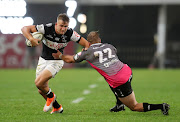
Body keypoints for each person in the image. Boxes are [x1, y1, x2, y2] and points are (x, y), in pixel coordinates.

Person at [52, 31, 170, 115]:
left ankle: (161, 106)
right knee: (109, 78)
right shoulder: (109, 46)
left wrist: (60, 55)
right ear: (100, 40)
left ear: (89, 42)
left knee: (134, 106)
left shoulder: (87, 52)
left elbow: (70, 59)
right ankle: (119, 105)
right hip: (127, 71)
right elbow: (112, 53)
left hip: (120, 80)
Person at [21, 13, 89, 114]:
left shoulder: (70, 33)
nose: (63, 29)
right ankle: (57, 107)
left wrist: (85, 50)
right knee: (41, 89)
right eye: (61, 26)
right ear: (56, 24)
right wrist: (31, 39)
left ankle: (51, 96)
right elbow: (24, 29)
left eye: (65, 26)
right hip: (43, 60)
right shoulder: (46, 28)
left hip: (56, 61)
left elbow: (86, 43)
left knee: (38, 83)